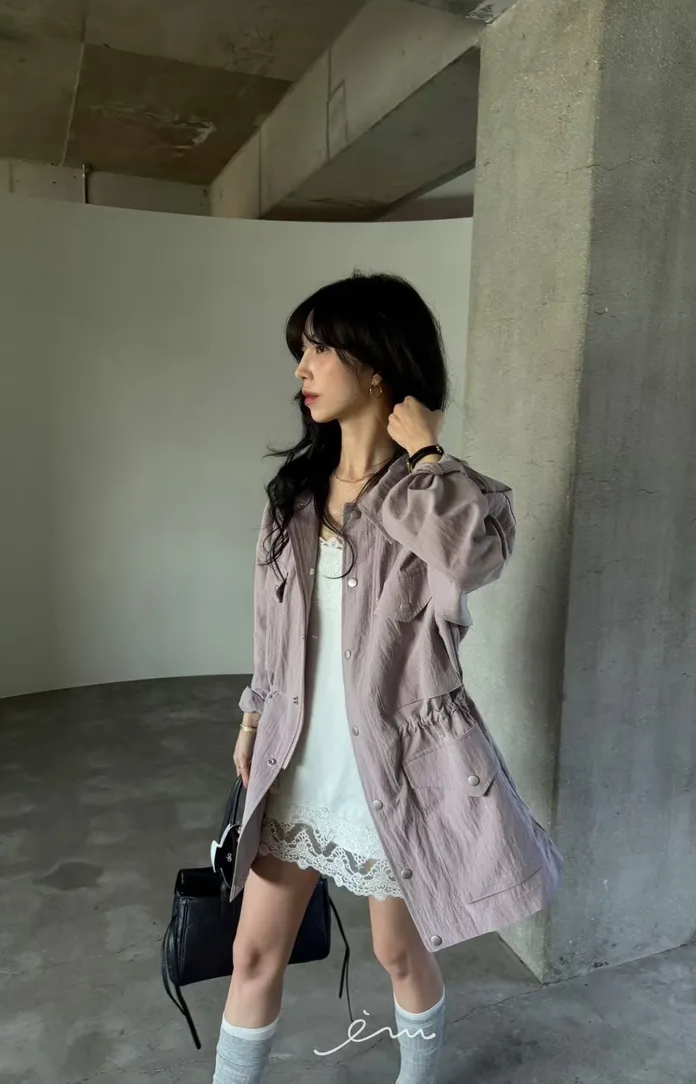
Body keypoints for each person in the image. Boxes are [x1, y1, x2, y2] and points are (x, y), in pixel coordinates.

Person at [212, 272, 563, 1084]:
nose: (301, 368)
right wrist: (253, 715)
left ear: (375, 365)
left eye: (320, 349)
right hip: (298, 759)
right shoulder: (293, 497)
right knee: (252, 950)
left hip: (398, 765)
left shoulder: (436, 494)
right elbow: (269, 630)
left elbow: (474, 558)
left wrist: (429, 454)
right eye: (300, 351)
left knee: (398, 950)